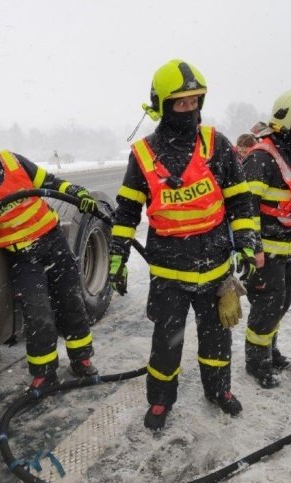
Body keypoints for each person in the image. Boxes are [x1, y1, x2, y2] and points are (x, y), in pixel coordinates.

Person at [109, 59, 261, 431]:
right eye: (180, 103)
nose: (189, 110)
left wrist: (246, 241)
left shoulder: (217, 144)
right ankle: (161, 401)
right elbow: (127, 211)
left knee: (217, 340)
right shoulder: (143, 155)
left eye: (195, 101)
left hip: (215, 270)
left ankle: (218, 391)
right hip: (168, 275)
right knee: (166, 344)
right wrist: (117, 256)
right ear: (162, 105)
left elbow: (240, 200)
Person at [0, 114, 99, 389]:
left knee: (71, 302)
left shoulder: (11, 161)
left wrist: (75, 191)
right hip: (23, 258)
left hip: (53, 242)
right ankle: (44, 373)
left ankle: (81, 359)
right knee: (39, 314)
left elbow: (49, 181)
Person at [242, 90, 291, 388]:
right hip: (267, 251)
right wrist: (253, 247)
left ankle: (270, 351)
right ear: (284, 121)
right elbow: (246, 206)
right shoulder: (262, 157)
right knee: (266, 306)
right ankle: (256, 361)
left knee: (281, 302)